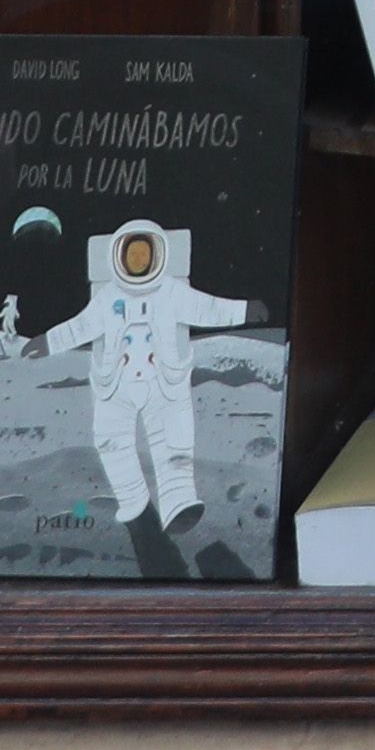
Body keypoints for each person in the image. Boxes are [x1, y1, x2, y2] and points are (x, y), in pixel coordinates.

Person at [75, 217, 250, 579]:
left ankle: (178, 502)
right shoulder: (108, 296)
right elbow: (81, 326)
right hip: (116, 384)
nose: (138, 260)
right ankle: (136, 508)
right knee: (111, 443)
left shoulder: (171, 292)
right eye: (133, 254)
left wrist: (244, 311)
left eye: (144, 254)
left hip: (163, 381)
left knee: (172, 441)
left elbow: (207, 307)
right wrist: (47, 342)